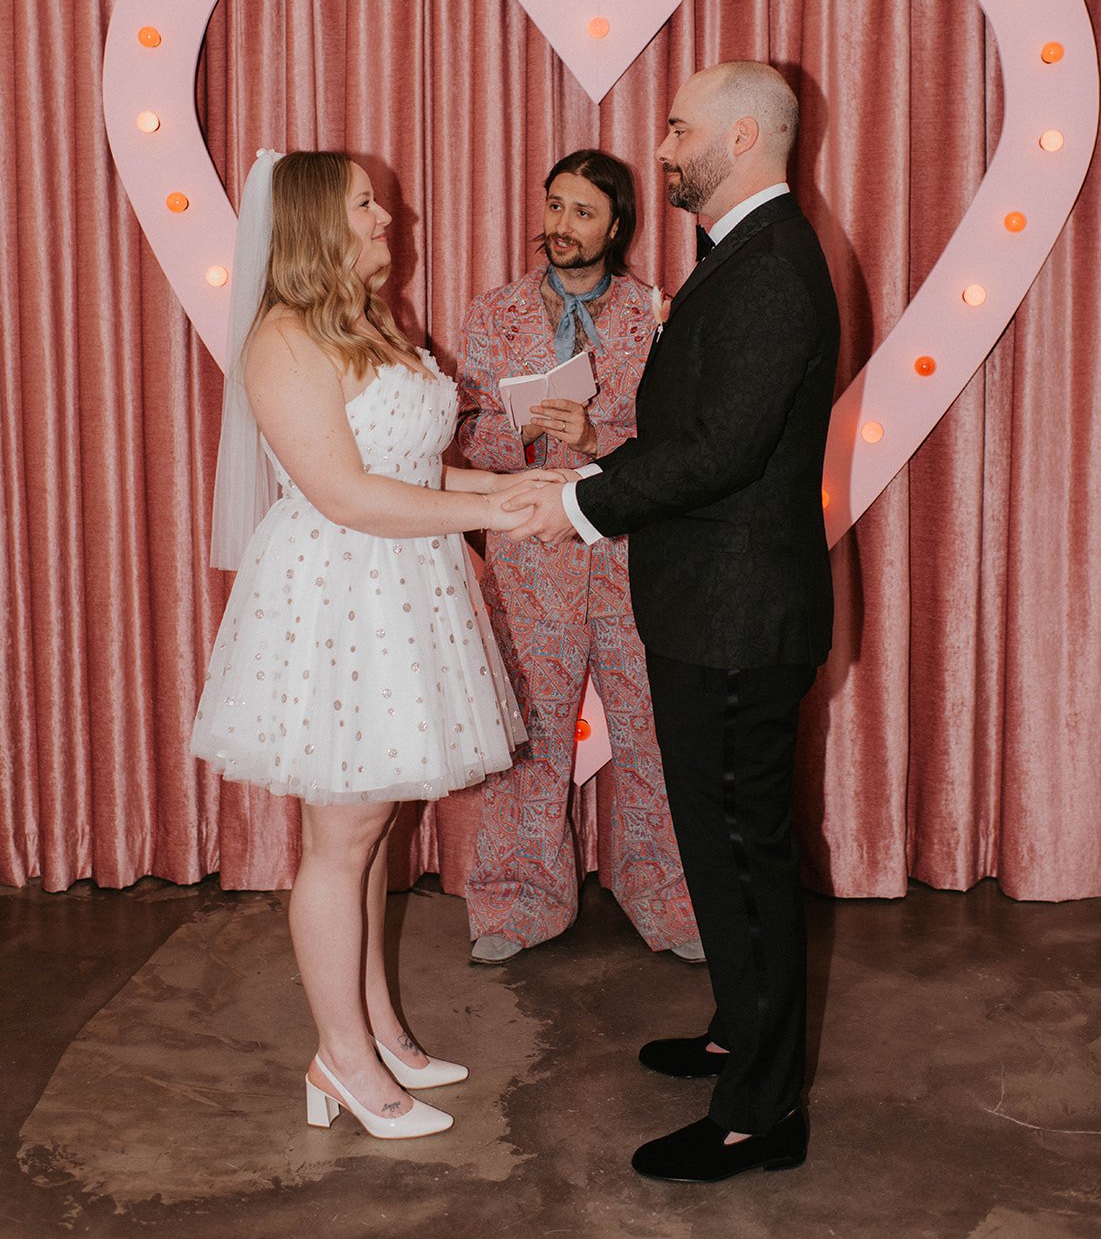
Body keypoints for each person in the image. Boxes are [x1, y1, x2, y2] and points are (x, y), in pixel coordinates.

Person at [501, 64, 840, 1185]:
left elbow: (723, 451)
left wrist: (578, 501)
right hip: (714, 610)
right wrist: (591, 483)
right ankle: (744, 1034)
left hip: (740, 620)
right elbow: (691, 431)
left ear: (743, 136)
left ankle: (761, 1114)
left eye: (684, 126)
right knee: (720, 845)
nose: (667, 145)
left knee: (742, 859)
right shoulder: (746, 256)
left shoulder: (774, 267)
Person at [191, 149, 538, 1142]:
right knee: (341, 836)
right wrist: (502, 515)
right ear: (315, 222)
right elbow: (345, 493)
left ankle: (379, 1028)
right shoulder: (285, 341)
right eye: (364, 204)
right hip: (340, 594)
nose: (387, 215)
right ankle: (339, 1061)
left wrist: (525, 492)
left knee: (372, 827)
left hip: (405, 583)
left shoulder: (373, 325)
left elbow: (424, 464)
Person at [457, 149, 699, 964]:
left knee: (655, 738)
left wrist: (600, 439)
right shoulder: (494, 314)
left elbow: (686, 444)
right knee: (529, 739)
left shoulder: (655, 313)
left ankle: (665, 896)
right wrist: (518, 429)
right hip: (530, 561)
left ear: (617, 225)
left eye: (582, 212)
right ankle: (515, 901)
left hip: (636, 558)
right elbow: (460, 436)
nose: (561, 226)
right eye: (554, 206)